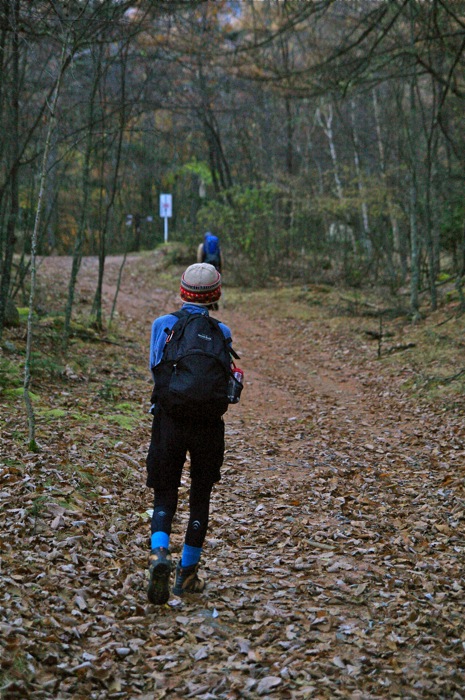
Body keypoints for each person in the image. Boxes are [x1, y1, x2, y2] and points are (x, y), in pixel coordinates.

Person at [145, 263, 238, 605]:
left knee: (165, 490)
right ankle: (187, 574)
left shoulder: (163, 325)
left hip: (169, 420)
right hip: (208, 426)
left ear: (182, 292)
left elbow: (156, 368)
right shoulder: (222, 332)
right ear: (215, 296)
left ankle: (158, 554)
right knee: (201, 494)